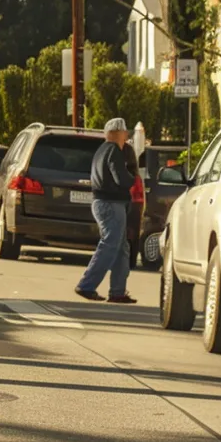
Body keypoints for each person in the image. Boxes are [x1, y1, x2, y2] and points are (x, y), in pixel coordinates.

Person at [77, 118, 140, 304]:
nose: (127, 135)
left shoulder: (102, 149)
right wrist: (132, 178)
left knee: (121, 248)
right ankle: (86, 285)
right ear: (118, 132)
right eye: (125, 132)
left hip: (104, 202)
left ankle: (118, 292)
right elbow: (121, 178)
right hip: (110, 203)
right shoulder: (113, 150)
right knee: (110, 244)